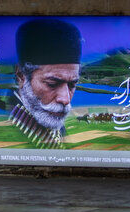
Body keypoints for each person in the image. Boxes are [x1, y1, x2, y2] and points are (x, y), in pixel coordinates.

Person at [8, 19, 83, 148]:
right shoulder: (7, 123)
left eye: (72, 85)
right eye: (52, 84)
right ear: (21, 76)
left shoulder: (50, 120)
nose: (65, 99)